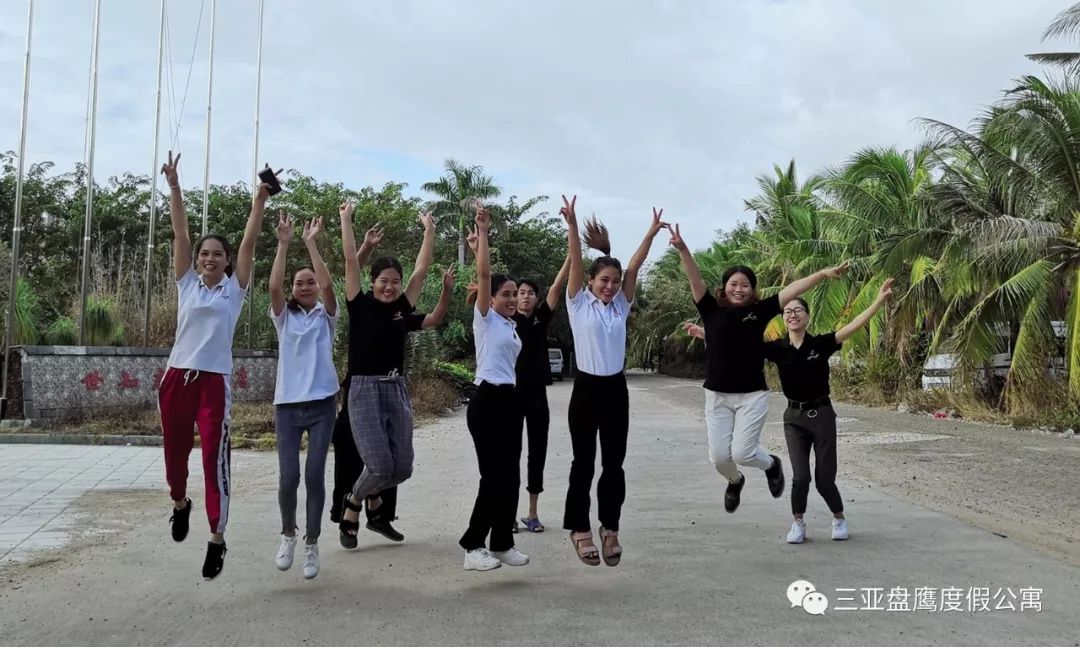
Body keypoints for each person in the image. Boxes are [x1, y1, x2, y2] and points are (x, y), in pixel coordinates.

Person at [668, 223, 849, 514]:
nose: (739, 289)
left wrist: (822, 274)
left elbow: (792, 290)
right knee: (719, 459)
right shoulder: (710, 310)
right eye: (733, 284)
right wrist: (682, 248)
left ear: (753, 291)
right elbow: (695, 279)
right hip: (717, 395)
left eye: (745, 285)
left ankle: (771, 464)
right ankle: (735, 481)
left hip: (751, 394)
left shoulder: (760, 310)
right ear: (724, 288)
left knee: (743, 452)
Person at [157, 152, 270, 580]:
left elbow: (249, 242)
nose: (209, 258)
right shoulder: (185, 282)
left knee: (213, 460)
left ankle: (217, 538)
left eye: (216, 254)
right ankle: (179, 504)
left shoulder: (233, 291)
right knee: (173, 457)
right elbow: (179, 230)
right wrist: (174, 186)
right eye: (204, 253)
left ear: (225, 261)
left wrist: (259, 200)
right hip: (176, 377)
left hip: (213, 384)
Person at [337, 202, 453, 549]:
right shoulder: (359, 304)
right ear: (372, 283)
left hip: (395, 388)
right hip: (363, 390)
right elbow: (349, 262)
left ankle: (368, 500)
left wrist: (429, 231)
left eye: (395, 282)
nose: (390, 287)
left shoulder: (403, 308)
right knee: (377, 464)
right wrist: (346, 220)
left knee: (401, 468)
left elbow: (421, 269)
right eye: (384, 282)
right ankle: (354, 504)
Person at [560, 195, 667, 567]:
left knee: (614, 464)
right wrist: (572, 225)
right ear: (590, 281)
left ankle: (610, 529)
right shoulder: (577, 302)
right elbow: (575, 258)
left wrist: (651, 233)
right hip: (586, 389)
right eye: (604, 280)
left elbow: (635, 265)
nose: (610, 286)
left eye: (615, 281)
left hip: (615, 390)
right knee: (583, 463)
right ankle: (579, 529)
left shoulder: (621, 305)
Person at [268, 213, 339, 579]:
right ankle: (288, 534)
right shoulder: (285, 317)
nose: (307, 286)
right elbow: (274, 289)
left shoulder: (327, 316)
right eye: (301, 283)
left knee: (314, 474)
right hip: (288, 407)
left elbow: (329, 287)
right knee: (288, 478)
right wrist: (283, 244)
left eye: (310, 281)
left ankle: (312, 543)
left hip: (323, 404)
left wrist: (311, 243)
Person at [459, 205, 529, 571]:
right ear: (492, 298)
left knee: (511, 475)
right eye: (506, 294)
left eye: (515, 294)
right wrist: (483, 233)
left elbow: (488, 276)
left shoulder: (509, 325)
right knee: (494, 477)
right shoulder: (485, 319)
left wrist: (476, 248)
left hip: (510, 401)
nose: (513, 299)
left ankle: (501, 541)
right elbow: (485, 275)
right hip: (487, 400)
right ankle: (473, 545)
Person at [513, 257, 571, 533]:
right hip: (510, 395)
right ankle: (508, 514)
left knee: (537, 453)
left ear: (536, 299)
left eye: (530, 293)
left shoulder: (540, 318)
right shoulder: (505, 318)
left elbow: (557, 287)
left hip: (537, 395)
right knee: (510, 455)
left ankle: (532, 513)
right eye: (520, 293)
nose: (525, 297)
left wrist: (571, 258)